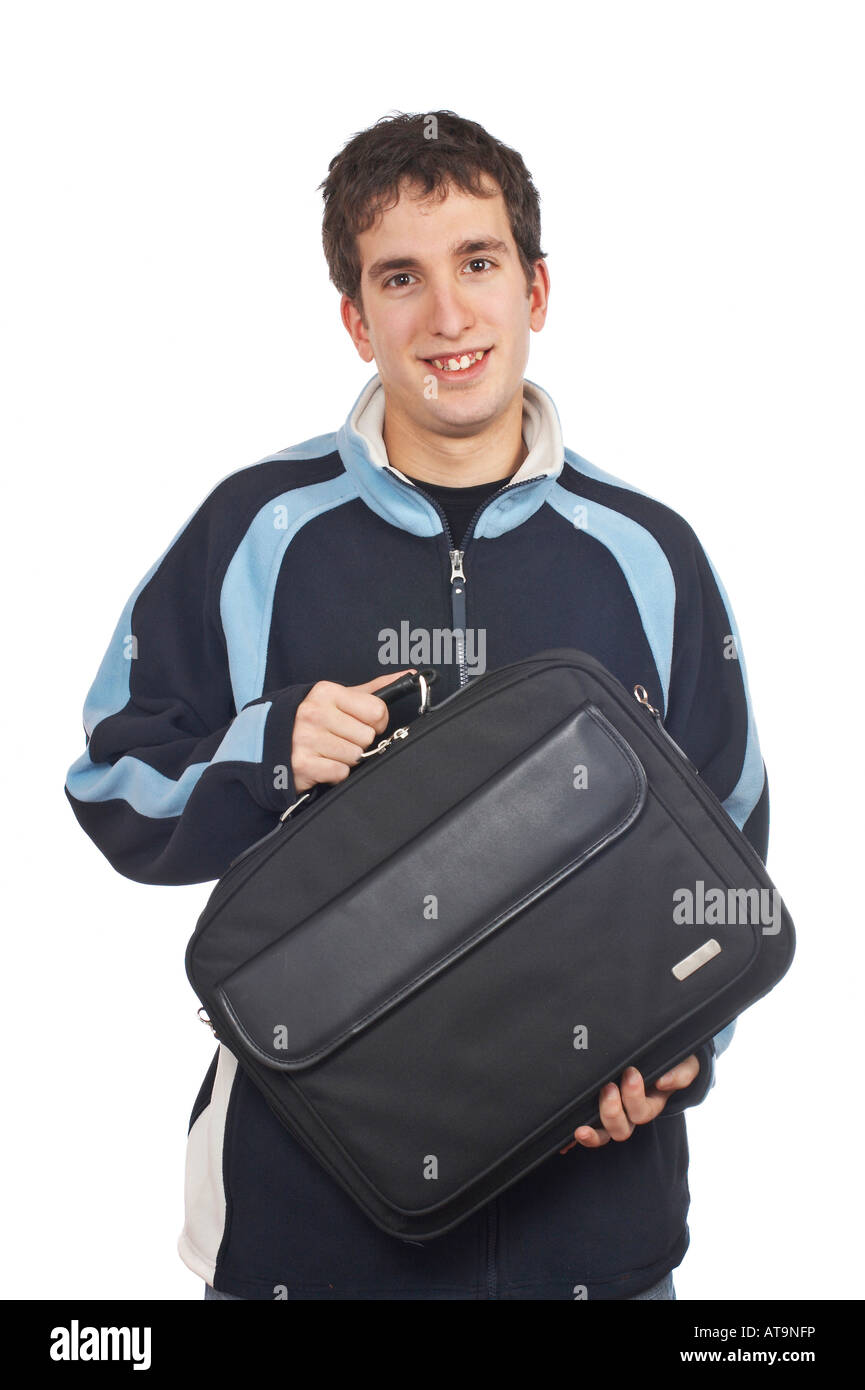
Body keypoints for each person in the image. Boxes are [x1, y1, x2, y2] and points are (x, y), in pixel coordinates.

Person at [65, 109, 766, 1301]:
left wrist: (675, 1050)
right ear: (356, 317)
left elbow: (728, 846)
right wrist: (269, 748)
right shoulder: (258, 531)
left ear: (535, 290)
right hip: (310, 1237)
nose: (447, 316)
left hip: (591, 1241)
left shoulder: (647, 553)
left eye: (477, 264)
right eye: (401, 277)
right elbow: (111, 783)